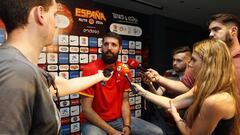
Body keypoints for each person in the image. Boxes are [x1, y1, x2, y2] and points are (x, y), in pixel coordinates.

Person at [0, 0, 112, 134]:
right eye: (54, 15)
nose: (56, 24)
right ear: (40, 14)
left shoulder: (21, 67)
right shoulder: (17, 72)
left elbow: (64, 85)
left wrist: (101, 75)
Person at [133, 39, 240, 135]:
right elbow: (173, 102)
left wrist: (176, 116)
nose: (190, 64)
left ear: (208, 64)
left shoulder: (216, 100)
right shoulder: (202, 87)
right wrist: (142, 91)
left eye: (193, 60)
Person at [79, 32, 164, 135]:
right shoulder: (90, 69)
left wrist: (127, 125)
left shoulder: (124, 70)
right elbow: (87, 110)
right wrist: (113, 132)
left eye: (113, 45)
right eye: (106, 44)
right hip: (93, 122)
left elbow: (125, 101)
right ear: (102, 46)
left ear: (120, 49)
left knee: (157, 132)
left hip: (117, 120)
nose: (109, 48)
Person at [144, 13, 240, 96]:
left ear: (233, 31)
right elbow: (186, 86)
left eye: (216, 29)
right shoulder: (205, 57)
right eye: (210, 31)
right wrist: (158, 78)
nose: (210, 34)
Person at [142, 46, 191, 135]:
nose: (174, 63)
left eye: (179, 60)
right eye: (174, 60)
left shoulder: (193, 77)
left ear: (189, 62)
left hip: (186, 122)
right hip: (167, 120)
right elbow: (158, 95)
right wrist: (150, 85)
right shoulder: (168, 73)